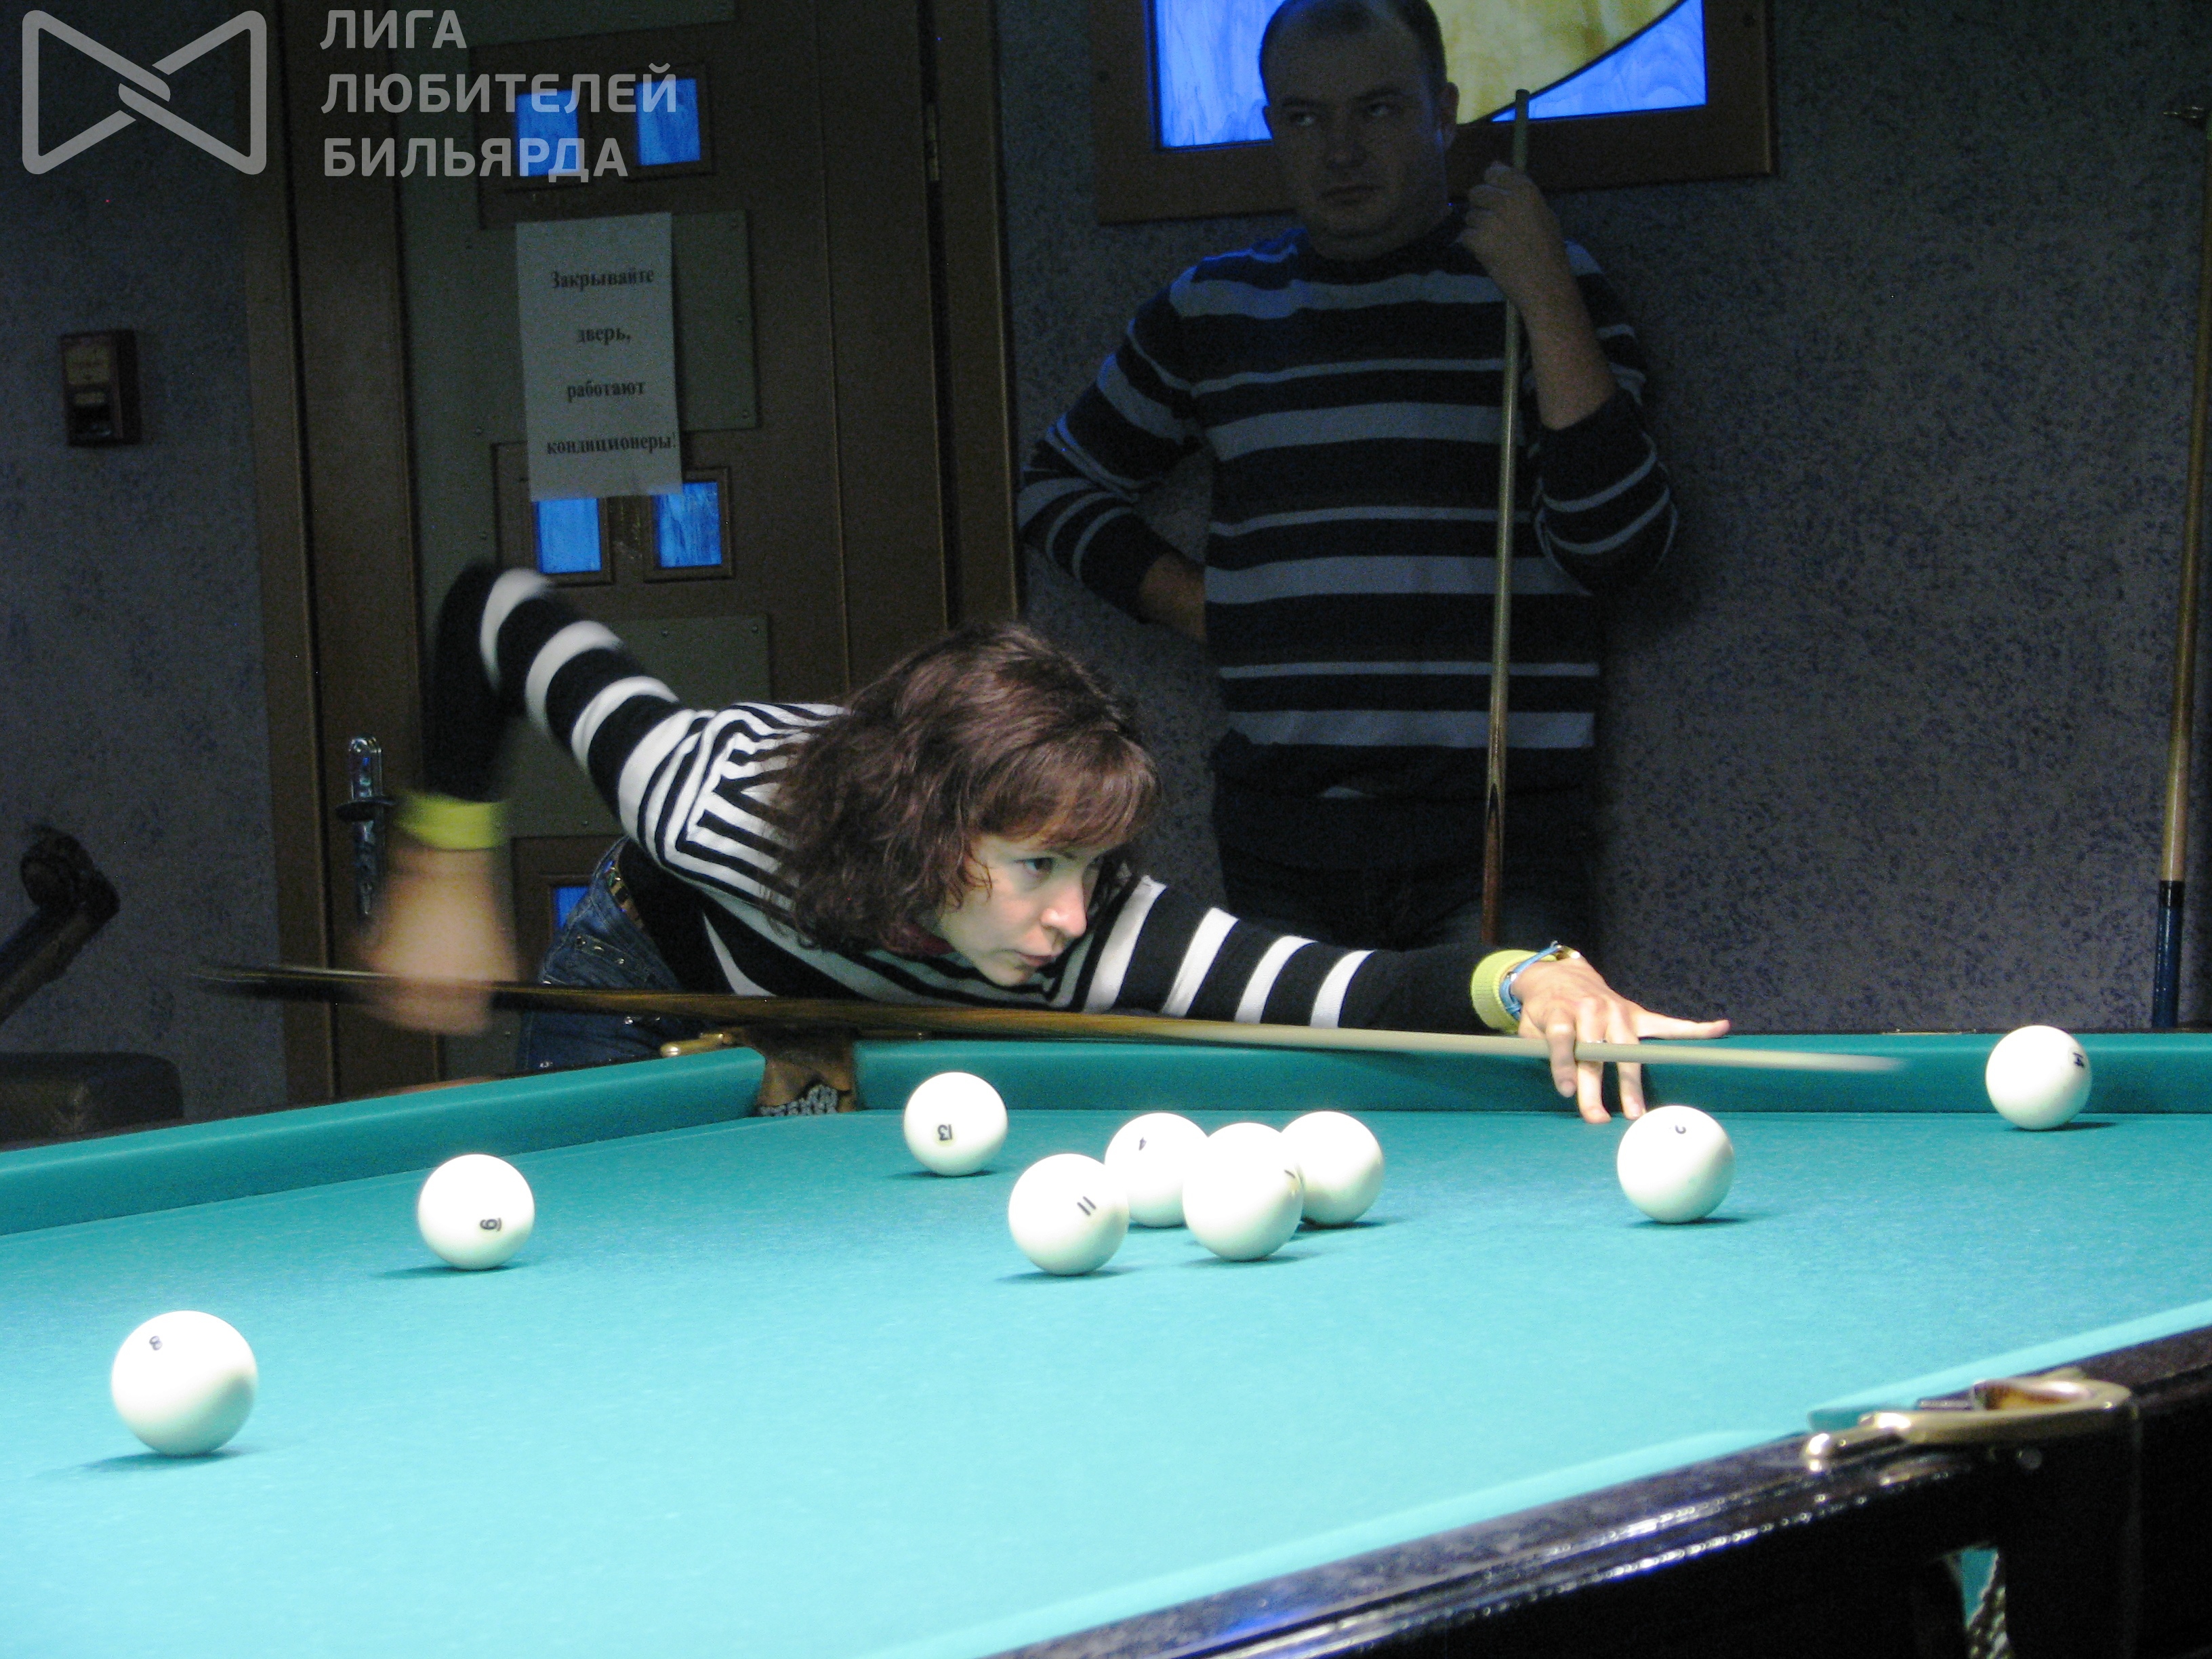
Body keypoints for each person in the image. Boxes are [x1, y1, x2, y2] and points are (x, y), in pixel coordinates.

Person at [363, 564, 1725, 1122]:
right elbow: (499, 608)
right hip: (648, 984)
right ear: (925, 833)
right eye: (1035, 869)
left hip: (867, 1018)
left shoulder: (1093, 929)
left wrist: (1524, 977)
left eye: (1087, 869)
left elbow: (1349, 990)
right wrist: (442, 865)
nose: (1076, 917)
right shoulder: (716, 800)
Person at [1019, 0, 1675, 954]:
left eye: (1377, 110)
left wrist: (1543, 293)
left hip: (1504, 834)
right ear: (1272, 127)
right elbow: (1054, 485)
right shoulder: (1213, 308)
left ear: (1442, 112)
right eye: (1304, 117)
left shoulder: (1539, 283)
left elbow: (1618, 551)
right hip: (1283, 835)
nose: (1339, 151)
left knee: (1510, 1059)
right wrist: (1208, 607)